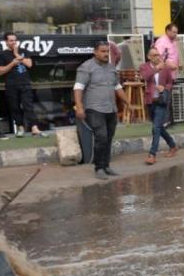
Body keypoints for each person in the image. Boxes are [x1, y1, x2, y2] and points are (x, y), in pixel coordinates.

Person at [73, 41, 130, 180]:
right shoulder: (86, 67)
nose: (106, 54)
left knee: (109, 138)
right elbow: (78, 88)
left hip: (111, 109)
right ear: (95, 52)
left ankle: (106, 166)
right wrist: (79, 107)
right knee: (101, 137)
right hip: (94, 108)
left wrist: (127, 102)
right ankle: (98, 168)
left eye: (107, 51)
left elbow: (117, 88)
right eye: (103, 51)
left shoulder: (111, 68)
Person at [0, 33, 46, 138]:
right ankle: (20, 127)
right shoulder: (2, 55)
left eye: (15, 40)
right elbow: (0, 71)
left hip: (25, 83)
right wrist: (12, 64)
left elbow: (29, 64)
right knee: (14, 107)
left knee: (28, 105)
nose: (14, 42)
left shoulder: (24, 51)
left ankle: (34, 127)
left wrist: (17, 55)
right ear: (6, 42)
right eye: (11, 40)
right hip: (11, 84)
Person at [140, 47, 178, 165]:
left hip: (161, 101)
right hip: (150, 100)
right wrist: (156, 69)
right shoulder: (144, 67)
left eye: (158, 54)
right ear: (149, 57)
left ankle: (152, 154)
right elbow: (144, 77)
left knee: (155, 128)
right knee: (159, 127)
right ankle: (172, 145)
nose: (157, 57)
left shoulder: (165, 68)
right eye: (154, 55)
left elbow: (170, 83)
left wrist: (164, 88)